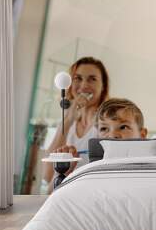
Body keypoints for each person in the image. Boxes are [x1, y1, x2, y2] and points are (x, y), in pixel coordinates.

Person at [41, 57, 110, 193]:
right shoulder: (68, 124)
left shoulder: (107, 123)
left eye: (92, 79)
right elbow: (47, 175)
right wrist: (68, 119)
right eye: (78, 78)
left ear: (103, 87)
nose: (84, 85)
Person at [50, 98, 148, 191]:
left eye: (123, 127)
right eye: (104, 129)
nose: (112, 135)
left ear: (142, 135)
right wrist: (66, 174)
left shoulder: (148, 170)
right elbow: (54, 198)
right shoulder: (90, 173)